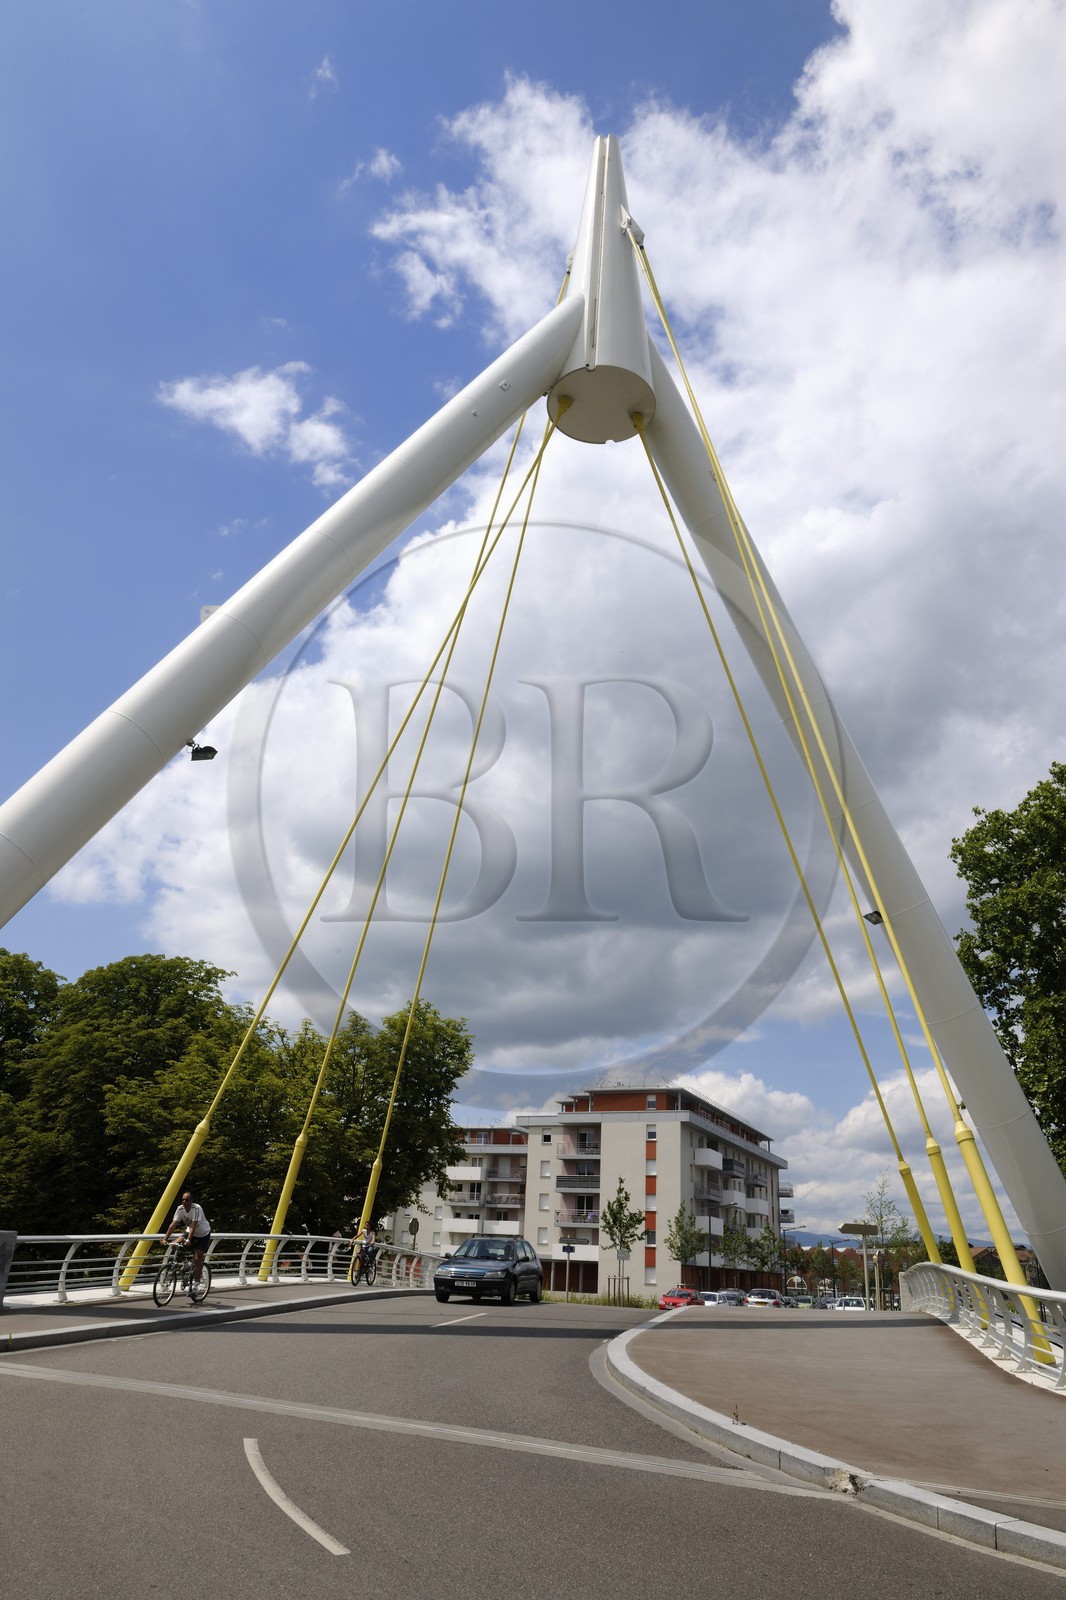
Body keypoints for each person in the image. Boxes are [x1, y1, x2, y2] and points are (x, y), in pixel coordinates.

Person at [163, 1190, 212, 1294]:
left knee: (198, 1259)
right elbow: (173, 1224)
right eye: (183, 1200)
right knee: (174, 1245)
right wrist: (165, 1238)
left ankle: (196, 1286)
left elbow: (194, 1224)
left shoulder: (196, 1208)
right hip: (190, 1232)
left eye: (187, 1199)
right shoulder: (179, 1209)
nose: (184, 1201)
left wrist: (189, 1240)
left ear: (191, 1200)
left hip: (203, 1234)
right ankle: (185, 1264)